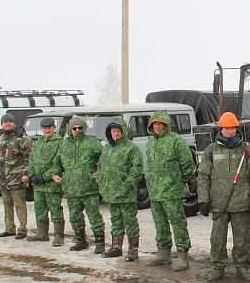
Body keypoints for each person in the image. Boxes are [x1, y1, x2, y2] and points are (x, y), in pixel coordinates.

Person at [197, 112, 250, 281]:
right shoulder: (211, 151)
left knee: (242, 239)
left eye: (233, 127)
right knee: (217, 239)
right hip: (219, 204)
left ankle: (243, 267)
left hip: (241, 203)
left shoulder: (246, 150)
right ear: (221, 129)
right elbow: (203, 176)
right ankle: (217, 267)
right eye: (227, 128)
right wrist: (203, 200)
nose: (230, 131)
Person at [144, 111, 195, 271]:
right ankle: (163, 252)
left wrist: (179, 182)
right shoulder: (151, 142)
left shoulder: (176, 141)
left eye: (161, 124)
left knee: (178, 222)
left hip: (171, 191)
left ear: (166, 125)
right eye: (155, 124)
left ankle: (182, 255)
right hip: (155, 191)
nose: (158, 127)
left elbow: (188, 165)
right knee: (160, 223)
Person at [54, 117, 106, 254]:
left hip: (89, 188)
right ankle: (81, 240)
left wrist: (99, 172)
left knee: (94, 217)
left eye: (80, 128)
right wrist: (55, 174)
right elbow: (56, 163)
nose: (77, 130)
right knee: (75, 217)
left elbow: (106, 158)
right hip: (71, 189)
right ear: (70, 130)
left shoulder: (92, 143)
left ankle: (100, 243)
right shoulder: (64, 145)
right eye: (74, 128)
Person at [97, 118, 143, 261]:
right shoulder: (107, 148)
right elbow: (100, 166)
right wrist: (100, 178)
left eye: (118, 131)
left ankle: (133, 249)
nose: (115, 134)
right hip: (111, 193)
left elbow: (137, 170)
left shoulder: (131, 148)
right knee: (116, 220)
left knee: (130, 220)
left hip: (125, 193)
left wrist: (127, 185)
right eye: (113, 131)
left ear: (123, 132)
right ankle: (116, 247)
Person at [0, 113, 33, 239]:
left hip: (17, 177)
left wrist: (26, 173)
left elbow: (29, 158)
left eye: (10, 121)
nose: (7, 124)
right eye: (5, 122)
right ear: (2, 124)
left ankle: (22, 229)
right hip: (3, 178)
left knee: (19, 204)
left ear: (14, 123)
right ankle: (9, 228)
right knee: (7, 204)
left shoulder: (23, 138)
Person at [27, 117, 64, 246]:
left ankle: (59, 235)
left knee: (55, 209)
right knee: (39, 209)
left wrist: (45, 176)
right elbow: (32, 160)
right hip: (38, 184)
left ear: (54, 128)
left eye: (49, 128)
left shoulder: (60, 143)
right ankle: (42, 233)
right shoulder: (38, 143)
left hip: (51, 184)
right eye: (44, 128)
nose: (47, 130)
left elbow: (58, 164)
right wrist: (32, 175)